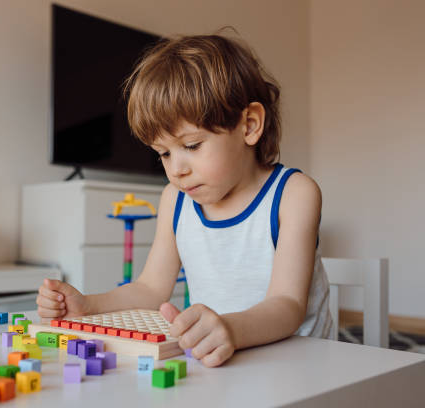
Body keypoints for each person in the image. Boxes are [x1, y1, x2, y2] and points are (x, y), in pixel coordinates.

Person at [37, 31, 333, 367]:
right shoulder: (175, 200)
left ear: (249, 125)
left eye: (191, 146)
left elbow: (287, 305)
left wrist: (231, 330)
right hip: (223, 359)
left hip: (302, 365)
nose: (176, 169)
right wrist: (87, 305)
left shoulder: (293, 193)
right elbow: (150, 289)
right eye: (163, 153)